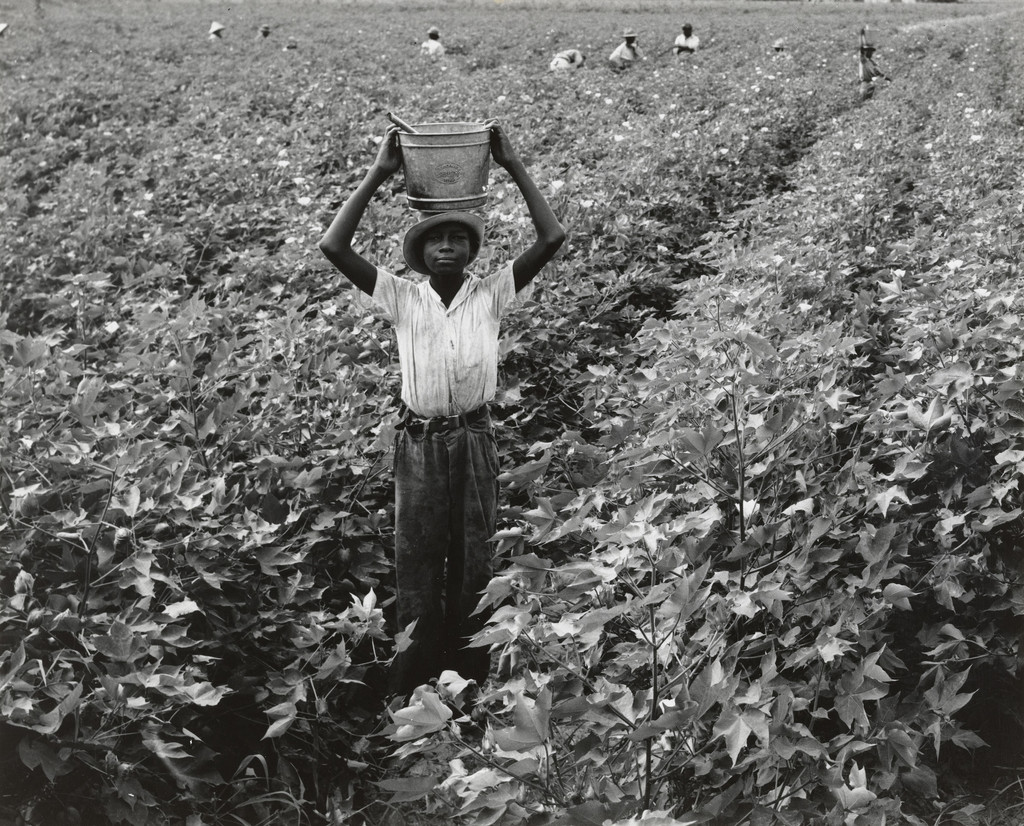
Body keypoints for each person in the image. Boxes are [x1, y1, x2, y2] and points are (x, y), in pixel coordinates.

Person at [318, 122, 566, 697]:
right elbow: (333, 247)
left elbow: (551, 238)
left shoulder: (493, 293)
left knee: (475, 555)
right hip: (421, 443)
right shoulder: (401, 297)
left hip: (474, 438)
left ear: (472, 251)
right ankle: (414, 675)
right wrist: (380, 172)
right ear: (421, 254)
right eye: (436, 239)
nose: (447, 245)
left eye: (458, 238)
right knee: (418, 556)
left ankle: (470, 674)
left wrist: (512, 165)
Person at [858, 27, 887, 101]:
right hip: (865, 85)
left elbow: (879, 73)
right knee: (864, 102)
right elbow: (861, 48)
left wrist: (887, 78)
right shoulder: (864, 61)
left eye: (871, 51)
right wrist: (862, 36)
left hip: (872, 85)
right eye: (868, 51)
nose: (870, 53)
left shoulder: (872, 62)